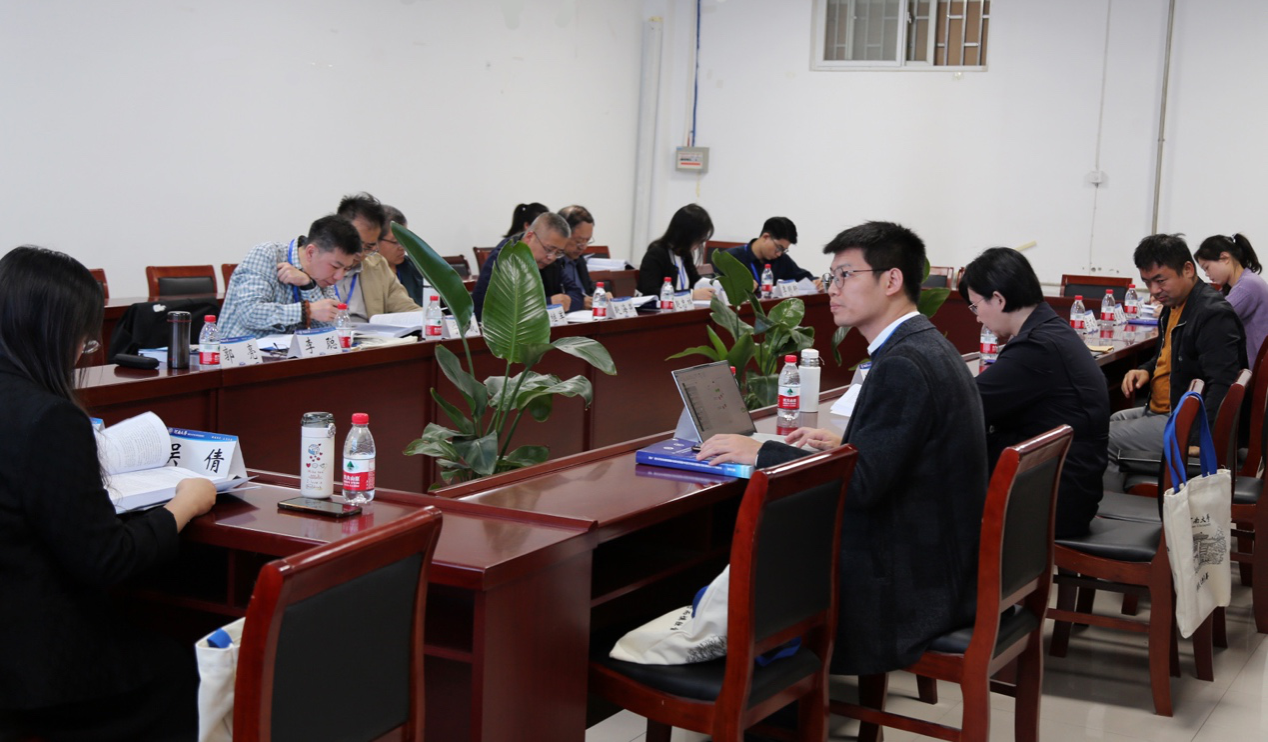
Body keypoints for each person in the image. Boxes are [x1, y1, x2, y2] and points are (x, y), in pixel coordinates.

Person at [696, 221, 988, 676]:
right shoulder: (927, 345)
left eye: (846, 275)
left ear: (892, 280)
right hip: (940, 569)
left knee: (748, 569)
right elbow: (900, 457)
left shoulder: (904, 364)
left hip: (902, 591)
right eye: (831, 277)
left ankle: (768, 702)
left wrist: (759, 453)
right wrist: (848, 446)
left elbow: (863, 486)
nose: (832, 289)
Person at [0, 246, 217, 740]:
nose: (83, 351)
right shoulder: (48, 418)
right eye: (85, 339)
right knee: (180, 668)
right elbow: (106, 559)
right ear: (56, 332)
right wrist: (182, 505)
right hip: (34, 674)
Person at [961, 247, 1108, 538]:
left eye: (976, 306)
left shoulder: (1036, 348)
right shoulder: (1050, 329)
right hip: (1068, 487)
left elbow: (966, 405)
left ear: (999, 299)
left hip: (1053, 501)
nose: (977, 318)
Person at [1109, 234, 1247, 480]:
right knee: (1115, 418)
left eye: (1160, 280)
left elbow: (1222, 384)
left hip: (1188, 421)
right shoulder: (1174, 306)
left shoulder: (1212, 314)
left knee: (1103, 437)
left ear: (1188, 269)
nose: (1154, 291)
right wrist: (1146, 369)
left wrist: (1198, 439)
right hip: (1169, 409)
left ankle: (1121, 500)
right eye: (1147, 282)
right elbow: (1168, 353)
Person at [219, 215, 362, 339]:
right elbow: (249, 313)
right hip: (239, 356)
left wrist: (308, 285)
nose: (339, 276)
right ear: (311, 253)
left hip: (285, 358)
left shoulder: (323, 278)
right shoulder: (267, 254)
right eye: (335, 266)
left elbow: (335, 329)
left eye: (346, 268)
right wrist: (307, 310)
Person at [471, 212, 578, 319]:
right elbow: (497, 310)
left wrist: (563, 302)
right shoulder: (504, 258)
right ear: (529, 237)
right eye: (549, 249)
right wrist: (548, 303)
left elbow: (577, 295)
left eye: (558, 252)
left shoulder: (552, 260)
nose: (552, 257)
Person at [331, 193, 421, 321]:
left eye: (369, 246)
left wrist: (432, 319)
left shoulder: (378, 265)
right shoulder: (317, 266)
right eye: (356, 243)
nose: (360, 253)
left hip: (371, 333)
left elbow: (406, 308)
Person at [1195, 233, 1268, 366]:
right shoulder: (1232, 287)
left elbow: (1214, 318)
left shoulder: (1247, 285)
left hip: (1255, 366)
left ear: (1225, 258)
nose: (1206, 274)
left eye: (1207, 267)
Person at [711, 216, 822, 291]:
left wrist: (816, 282)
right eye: (779, 248)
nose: (779, 254)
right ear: (766, 237)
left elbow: (803, 278)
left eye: (783, 250)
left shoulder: (781, 260)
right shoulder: (730, 258)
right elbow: (714, 285)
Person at [637, 204, 716, 300]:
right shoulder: (656, 254)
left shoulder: (685, 254)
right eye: (698, 239)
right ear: (686, 235)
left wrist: (717, 284)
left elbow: (695, 280)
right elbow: (650, 292)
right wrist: (691, 295)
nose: (700, 244)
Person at [377, 205, 428, 305]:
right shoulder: (368, 272)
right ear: (375, 240)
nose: (402, 247)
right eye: (395, 241)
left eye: (404, 240)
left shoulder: (415, 267)